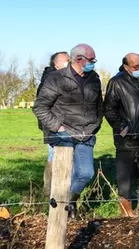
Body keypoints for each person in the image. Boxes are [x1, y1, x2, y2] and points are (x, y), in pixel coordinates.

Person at [33, 44, 102, 212]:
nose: (94, 63)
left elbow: (99, 104)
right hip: (64, 134)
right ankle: (58, 211)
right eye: (92, 60)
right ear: (79, 59)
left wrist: (95, 124)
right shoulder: (56, 78)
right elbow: (40, 107)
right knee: (62, 176)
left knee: (85, 173)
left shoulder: (94, 78)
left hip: (86, 133)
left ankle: (68, 202)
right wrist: (58, 127)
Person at [104, 53, 139, 216]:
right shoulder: (117, 82)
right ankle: (126, 212)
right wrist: (123, 128)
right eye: (136, 67)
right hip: (126, 140)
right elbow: (109, 109)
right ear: (126, 66)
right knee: (125, 177)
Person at [36, 51, 71, 195]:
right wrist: (55, 126)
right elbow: (41, 106)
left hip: (65, 125)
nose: (70, 62)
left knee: (63, 156)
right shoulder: (50, 79)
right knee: (54, 156)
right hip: (55, 126)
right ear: (57, 64)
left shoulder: (64, 77)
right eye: (67, 60)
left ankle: (59, 190)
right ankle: (51, 190)